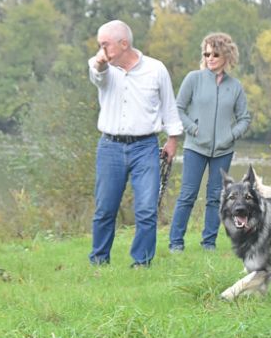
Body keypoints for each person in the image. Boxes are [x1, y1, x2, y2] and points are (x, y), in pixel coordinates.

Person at [88, 20, 182, 267]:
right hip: (110, 147)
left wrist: (172, 140)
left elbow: (169, 106)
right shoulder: (101, 67)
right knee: (105, 208)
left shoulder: (156, 69)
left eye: (105, 44)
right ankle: (99, 260)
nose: (101, 50)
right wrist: (100, 63)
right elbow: (98, 77)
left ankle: (142, 262)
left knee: (146, 209)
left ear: (123, 44)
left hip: (145, 147)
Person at [169, 32, 251, 252]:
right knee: (187, 195)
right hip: (195, 147)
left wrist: (231, 135)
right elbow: (178, 108)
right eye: (206, 54)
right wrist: (193, 128)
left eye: (215, 54)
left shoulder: (235, 86)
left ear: (226, 56)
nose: (210, 58)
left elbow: (244, 118)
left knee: (216, 197)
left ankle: (209, 243)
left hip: (223, 151)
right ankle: (176, 242)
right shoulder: (193, 79)